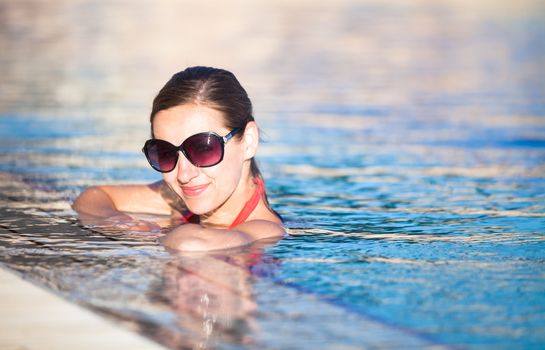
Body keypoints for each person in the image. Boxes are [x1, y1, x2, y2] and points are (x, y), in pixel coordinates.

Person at [73, 66, 285, 251]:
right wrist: (117, 221)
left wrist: (154, 235)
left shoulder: (265, 230)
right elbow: (93, 197)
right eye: (165, 153)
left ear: (248, 142)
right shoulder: (179, 199)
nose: (184, 174)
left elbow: (190, 244)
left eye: (203, 149)